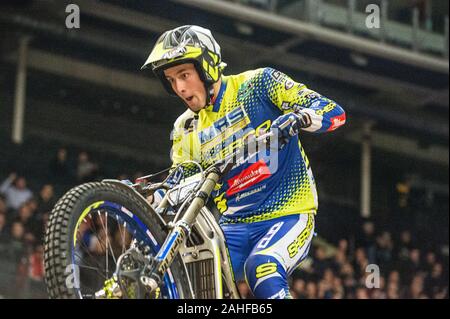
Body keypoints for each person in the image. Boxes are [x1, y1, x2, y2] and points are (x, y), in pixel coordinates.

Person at [142, 25, 346, 299]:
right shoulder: (185, 128)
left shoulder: (258, 84)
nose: (179, 87)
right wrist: (154, 193)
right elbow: (183, 178)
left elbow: (334, 111)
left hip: (289, 214)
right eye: (170, 79)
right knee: (188, 277)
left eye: (184, 75)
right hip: (233, 226)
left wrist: (299, 118)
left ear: (208, 66)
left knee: (261, 267)